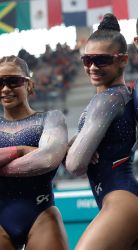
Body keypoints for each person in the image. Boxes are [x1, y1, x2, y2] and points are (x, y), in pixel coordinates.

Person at [0, 55, 69, 250]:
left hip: (41, 214)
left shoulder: (51, 118)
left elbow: (46, 159)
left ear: (29, 85)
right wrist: (21, 150)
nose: (6, 89)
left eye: (13, 81)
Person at [65, 14, 138, 250]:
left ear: (123, 60)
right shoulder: (116, 97)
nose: (93, 67)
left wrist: (73, 148)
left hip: (121, 199)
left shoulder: (108, 100)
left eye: (102, 60)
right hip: (117, 197)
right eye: (87, 60)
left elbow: (75, 164)